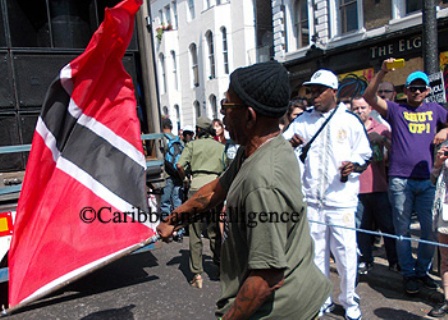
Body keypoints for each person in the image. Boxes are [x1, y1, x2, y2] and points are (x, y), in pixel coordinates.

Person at [157, 60, 331, 319]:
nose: (223, 116)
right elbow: (215, 190)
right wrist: (174, 219)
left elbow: (266, 277)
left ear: (249, 116)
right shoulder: (258, 149)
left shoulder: (263, 181)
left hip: (283, 312)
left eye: (227, 106)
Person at [283, 69, 372, 320]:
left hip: (341, 201)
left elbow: (365, 154)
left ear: (334, 92)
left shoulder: (349, 120)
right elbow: (282, 147)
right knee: (316, 255)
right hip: (311, 201)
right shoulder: (302, 121)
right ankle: (323, 299)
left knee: (345, 255)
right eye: (311, 91)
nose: (314, 96)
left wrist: (353, 165)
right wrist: (289, 145)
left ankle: (350, 301)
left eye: (319, 91)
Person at [363, 58, 448, 295]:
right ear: (406, 90)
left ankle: (422, 271)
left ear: (428, 91)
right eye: (413, 88)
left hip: (427, 179)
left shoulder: (435, 110)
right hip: (400, 179)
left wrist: (445, 128)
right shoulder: (396, 110)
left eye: (421, 88)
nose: (418, 91)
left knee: (429, 231)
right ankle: (408, 274)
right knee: (402, 231)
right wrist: (381, 71)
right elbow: (369, 98)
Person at [350, 96, 399, 274]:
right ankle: (365, 260)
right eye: (356, 108)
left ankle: (394, 261)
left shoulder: (382, 128)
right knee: (361, 228)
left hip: (379, 185)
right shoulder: (349, 130)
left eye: (362, 108)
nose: (359, 111)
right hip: (356, 188)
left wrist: (382, 140)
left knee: (388, 226)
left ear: (370, 108)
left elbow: (395, 152)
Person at [176, 116, 225, 289]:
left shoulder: (192, 145)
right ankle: (219, 267)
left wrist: (186, 179)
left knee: (195, 232)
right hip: (214, 188)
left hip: (195, 188)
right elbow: (227, 168)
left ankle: (197, 274)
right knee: (214, 231)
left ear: (197, 130)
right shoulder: (220, 147)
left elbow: (179, 166)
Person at [429, 142, 448, 317]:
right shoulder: (445, 146)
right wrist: (437, 164)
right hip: (445, 211)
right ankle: (447, 300)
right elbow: (433, 180)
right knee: (445, 260)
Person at [160, 118, 183, 221]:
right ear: (171, 127)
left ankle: (167, 227)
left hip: (167, 175)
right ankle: (179, 229)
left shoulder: (162, 139)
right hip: (178, 174)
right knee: (177, 201)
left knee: (165, 203)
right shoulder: (179, 140)